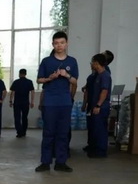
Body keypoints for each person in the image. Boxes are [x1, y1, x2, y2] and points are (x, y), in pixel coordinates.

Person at [35, 31, 78, 173]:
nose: (59, 45)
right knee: (48, 133)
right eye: (56, 43)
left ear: (67, 44)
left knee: (63, 133)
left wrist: (67, 75)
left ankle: (61, 162)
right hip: (50, 102)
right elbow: (39, 80)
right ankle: (45, 162)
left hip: (65, 102)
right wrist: (50, 78)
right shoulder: (46, 61)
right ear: (53, 44)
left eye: (62, 43)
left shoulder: (72, 61)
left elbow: (75, 81)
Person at [86, 53, 112, 158]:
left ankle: (101, 151)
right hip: (96, 106)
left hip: (101, 107)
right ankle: (95, 149)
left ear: (96, 63)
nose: (92, 64)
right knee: (96, 129)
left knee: (100, 129)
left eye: (92, 62)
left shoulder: (105, 75)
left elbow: (104, 91)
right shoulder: (98, 75)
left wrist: (98, 105)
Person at [9, 69, 35, 138]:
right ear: (25, 74)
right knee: (24, 117)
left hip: (17, 103)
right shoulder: (29, 82)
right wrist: (32, 101)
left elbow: (12, 92)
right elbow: (32, 92)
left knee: (17, 117)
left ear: (19, 74)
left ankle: (19, 132)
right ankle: (24, 131)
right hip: (25, 102)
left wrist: (10, 101)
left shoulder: (16, 82)